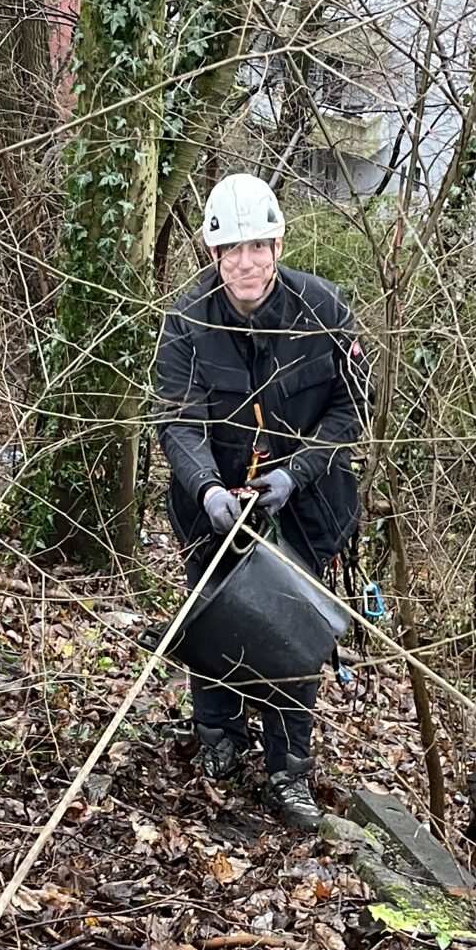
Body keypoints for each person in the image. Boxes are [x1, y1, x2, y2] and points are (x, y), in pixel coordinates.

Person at [152, 172, 368, 829]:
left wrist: (297, 473)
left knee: (291, 637)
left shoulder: (324, 310)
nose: (245, 263)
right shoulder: (187, 323)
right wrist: (207, 488)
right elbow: (178, 419)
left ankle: (288, 767)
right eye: (232, 250)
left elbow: (351, 409)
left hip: (303, 510)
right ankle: (218, 734)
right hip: (214, 509)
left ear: (277, 245)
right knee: (212, 625)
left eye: (257, 247)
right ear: (214, 253)